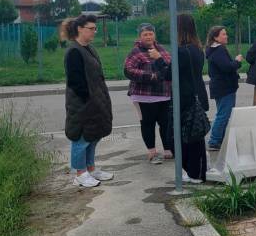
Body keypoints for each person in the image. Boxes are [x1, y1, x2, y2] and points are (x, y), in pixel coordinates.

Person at [61, 15, 114, 187]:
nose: (94, 32)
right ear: (79, 29)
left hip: (95, 102)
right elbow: (76, 82)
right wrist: (89, 100)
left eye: (95, 28)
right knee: (81, 138)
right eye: (91, 28)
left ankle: (91, 169)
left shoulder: (89, 48)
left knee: (93, 136)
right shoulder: (74, 51)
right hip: (82, 105)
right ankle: (80, 174)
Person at [165, 14, 209, 184]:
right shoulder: (197, 49)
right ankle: (197, 172)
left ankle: (191, 172)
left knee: (175, 137)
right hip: (197, 95)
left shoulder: (181, 51)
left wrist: (158, 60)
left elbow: (169, 74)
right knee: (195, 136)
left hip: (183, 99)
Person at [124, 23, 173, 164]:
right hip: (143, 95)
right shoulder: (136, 51)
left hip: (164, 94)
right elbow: (128, 70)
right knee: (148, 123)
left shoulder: (161, 49)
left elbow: (168, 66)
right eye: (145, 34)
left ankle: (168, 149)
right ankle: (152, 153)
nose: (148, 36)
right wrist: (150, 76)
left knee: (165, 122)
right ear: (140, 37)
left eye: (151, 33)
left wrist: (159, 59)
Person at [205, 26, 243, 151]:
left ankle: (218, 140)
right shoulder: (219, 50)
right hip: (224, 87)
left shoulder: (214, 49)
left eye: (226, 34)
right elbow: (227, 67)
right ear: (215, 37)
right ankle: (214, 140)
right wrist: (237, 62)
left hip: (222, 86)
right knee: (223, 114)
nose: (226, 36)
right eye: (223, 34)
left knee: (224, 114)